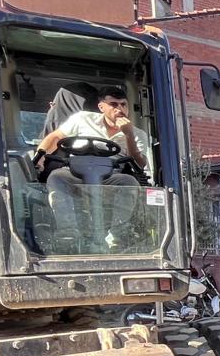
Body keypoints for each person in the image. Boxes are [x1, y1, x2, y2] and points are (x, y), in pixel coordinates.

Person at [38, 84, 151, 243]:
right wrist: (40, 157)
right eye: (113, 104)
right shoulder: (82, 119)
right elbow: (55, 137)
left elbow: (140, 164)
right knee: (56, 177)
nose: (119, 108)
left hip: (110, 176)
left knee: (129, 182)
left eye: (123, 104)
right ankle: (68, 233)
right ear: (101, 107)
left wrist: (129, 135)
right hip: (74, 172)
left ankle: (117, 236)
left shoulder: (137, 134)